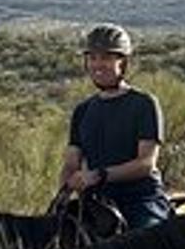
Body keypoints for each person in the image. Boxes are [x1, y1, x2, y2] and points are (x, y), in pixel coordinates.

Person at [59, 23, 172, 230]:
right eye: (92, 58)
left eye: (106, 58)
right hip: (96, 202)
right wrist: (66, 188)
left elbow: (146, 163)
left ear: (123, 63)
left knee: (145, 245)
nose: (97, 65)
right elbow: (71, 162)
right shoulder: (82, 111)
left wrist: (99, 175)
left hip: (140, 201)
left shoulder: (144, 103)